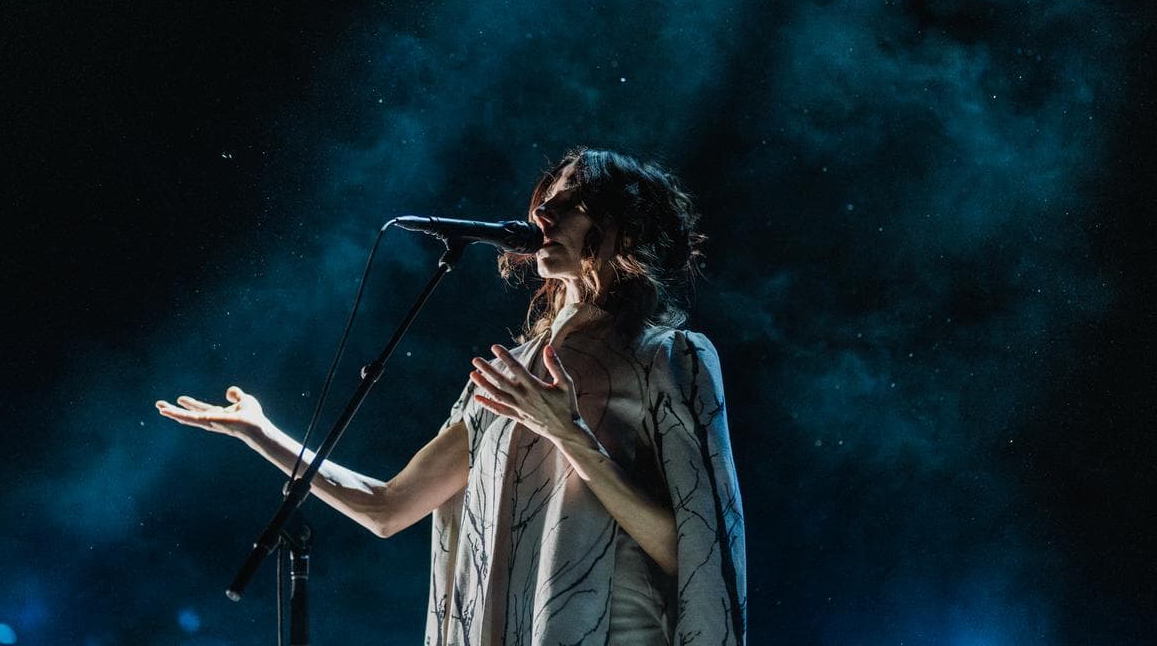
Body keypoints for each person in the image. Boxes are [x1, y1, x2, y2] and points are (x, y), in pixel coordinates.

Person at [157, 147, 747, 645]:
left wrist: (569, 434)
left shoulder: (671, 356)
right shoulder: (502, 378)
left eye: (572, 201)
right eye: (546, 197)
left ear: (625, 226)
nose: (543, 209)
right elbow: (388, 508)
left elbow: (694, 552)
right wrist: (263, 432)